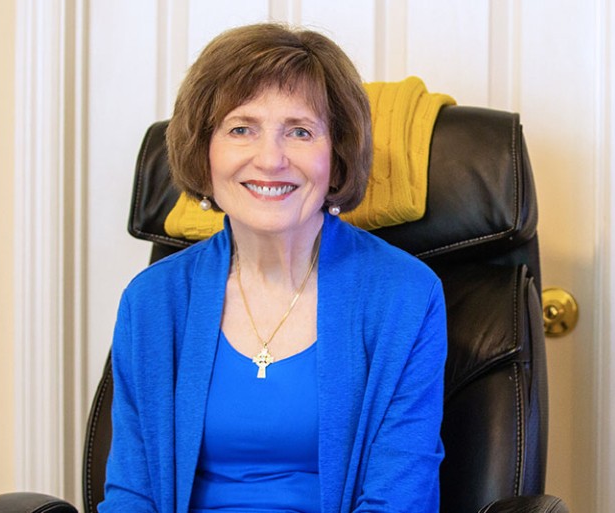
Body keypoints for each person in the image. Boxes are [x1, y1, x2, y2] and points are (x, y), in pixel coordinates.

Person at [99, 23, 447, 513]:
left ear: (337, 156)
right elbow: (132, 496)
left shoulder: (405, 297)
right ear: (206, 152)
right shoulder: (152, 301)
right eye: (241, 129)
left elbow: (400, 498)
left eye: (300, 131)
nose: (270, 159)